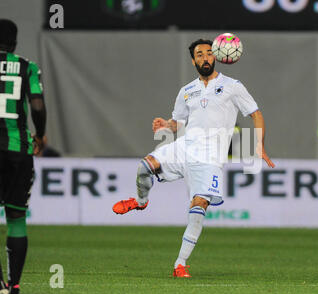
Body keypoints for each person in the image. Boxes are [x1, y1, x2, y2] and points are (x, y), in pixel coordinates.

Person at [113, 38, 275, 277]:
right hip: (184, 147)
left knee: (198, 207)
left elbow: (256, 113)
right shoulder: (187, 91)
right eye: (199, 54)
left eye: (209, 53)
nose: (205, 58)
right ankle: (140, 201)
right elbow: (177, 123)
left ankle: (180, 264)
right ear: (193, 60)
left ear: (217, 56)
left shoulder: (232, 86)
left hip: (210, 159)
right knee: (145, 166)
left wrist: (259, 143)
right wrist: (165, 125)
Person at [0, 19, 46, 294]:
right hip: (18, 150)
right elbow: (37, 105)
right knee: (17, 218)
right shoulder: (28, 67)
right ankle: (16, 288)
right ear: (15, 42)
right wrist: (40, 135)